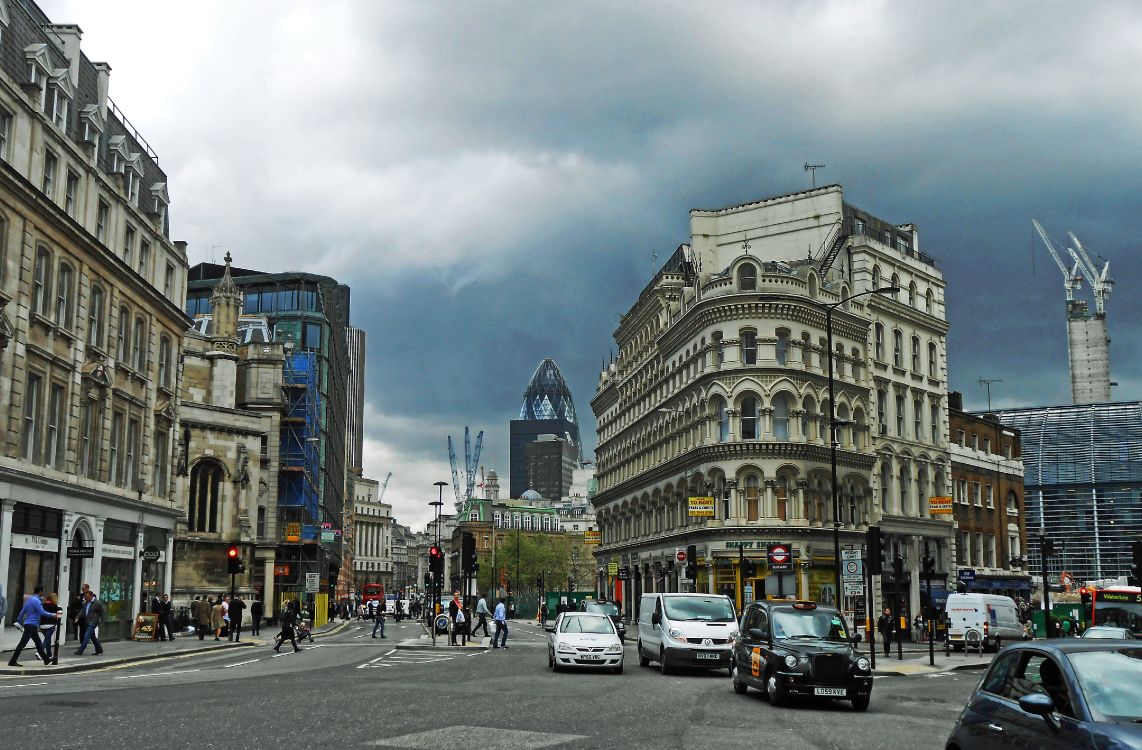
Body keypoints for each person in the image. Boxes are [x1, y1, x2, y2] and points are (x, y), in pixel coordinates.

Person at [8, 586, 61, 666]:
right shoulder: (36, 601)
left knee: (39, 644)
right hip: (31, 626)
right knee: (22, 644)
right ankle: (12, 661)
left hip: (29, 625)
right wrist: (53, 615)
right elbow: (42, 612)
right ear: (40, 591)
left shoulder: (28, 600)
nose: (42, 593)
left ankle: (46, 660)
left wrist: (18, 621)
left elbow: (22, 612)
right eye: (42, 592)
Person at [73, 589, 105, 657]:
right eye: (85, 597)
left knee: (86, 636)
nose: (86, 599)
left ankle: (80, 650)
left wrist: (102, 621)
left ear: (91, 596)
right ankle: (99, 649)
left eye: (87, 598)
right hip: (87, 621)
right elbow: (82, 611)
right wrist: (77, 617)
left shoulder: (97, 603)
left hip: (93, 621)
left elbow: (102, 612)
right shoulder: (85, 602)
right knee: (92, 636)